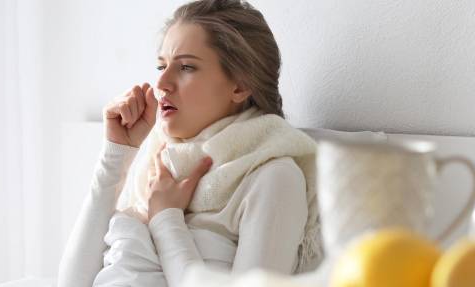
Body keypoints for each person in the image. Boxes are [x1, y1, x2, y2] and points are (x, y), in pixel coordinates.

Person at [57, 1, 321, 286]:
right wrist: (116, 154)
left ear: (240, 86)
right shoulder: (158, 168)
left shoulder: (273, 178)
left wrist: (167, 219)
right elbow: (72, 283)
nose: (162, 83)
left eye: (185, 67)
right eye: (161, 65)